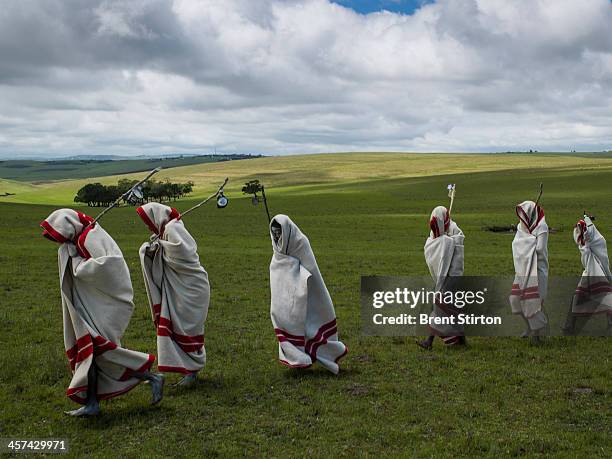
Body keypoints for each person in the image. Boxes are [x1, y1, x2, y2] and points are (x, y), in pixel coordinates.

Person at [41, 208, 164, 417]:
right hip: (87, 307)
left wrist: (77, 264)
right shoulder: (80, 238)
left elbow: (109, 265)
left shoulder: (91, 236)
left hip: (103, 306)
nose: (60, 242)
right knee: (93, 355)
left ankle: (152, 377)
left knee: (100, 352)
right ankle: (92, 404)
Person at [137, 203, 209, 386]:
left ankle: (192, 372)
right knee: (176, 327)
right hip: (180, 287)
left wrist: (158, 246)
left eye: (148, 221)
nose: (147, 226)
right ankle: (185, 369)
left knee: (188, 328)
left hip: (191, 288)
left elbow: (182, 252)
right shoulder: (166, 230)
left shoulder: (172, 228)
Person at [269, 215, 347, 374]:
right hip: (287, 298)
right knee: (287, 321)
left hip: (309, 292)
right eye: (274, 233)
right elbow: (278, 269)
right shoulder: (277, 250)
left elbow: (310, 269)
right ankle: (298, 358)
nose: (277, 237)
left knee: (311, 323)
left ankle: (323, 354)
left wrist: (295, 275)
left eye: (279, 233)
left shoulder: (300, 243)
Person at [417, 206, 466, 349]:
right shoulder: (438, 235)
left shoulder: (454, 234)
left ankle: (429, 341)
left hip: (452, 277)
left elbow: (454, 249)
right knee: (453, 310)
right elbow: (432, 247)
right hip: (446, 278)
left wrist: (446, 241)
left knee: (440, 308)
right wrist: (443, 240)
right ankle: (461, 340)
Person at [563, 215, 612, 334]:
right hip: (594, 273)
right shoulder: (594, 240)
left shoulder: (595, 241)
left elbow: (597, 259)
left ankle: (570, 327)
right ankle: (570, 326)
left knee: (578, 298)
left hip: (594, 273)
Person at [509, 200, 549, 342]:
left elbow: (539, 249)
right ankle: (529, 327)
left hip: (537, 271)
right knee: (515, 299)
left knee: (532, 302)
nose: (522, 219)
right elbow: (516, 245)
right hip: (522, 270)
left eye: (524, 215)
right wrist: (528, 242)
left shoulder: (542, 227)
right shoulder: (522, 226)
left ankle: (536, 334)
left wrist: (527, 242)